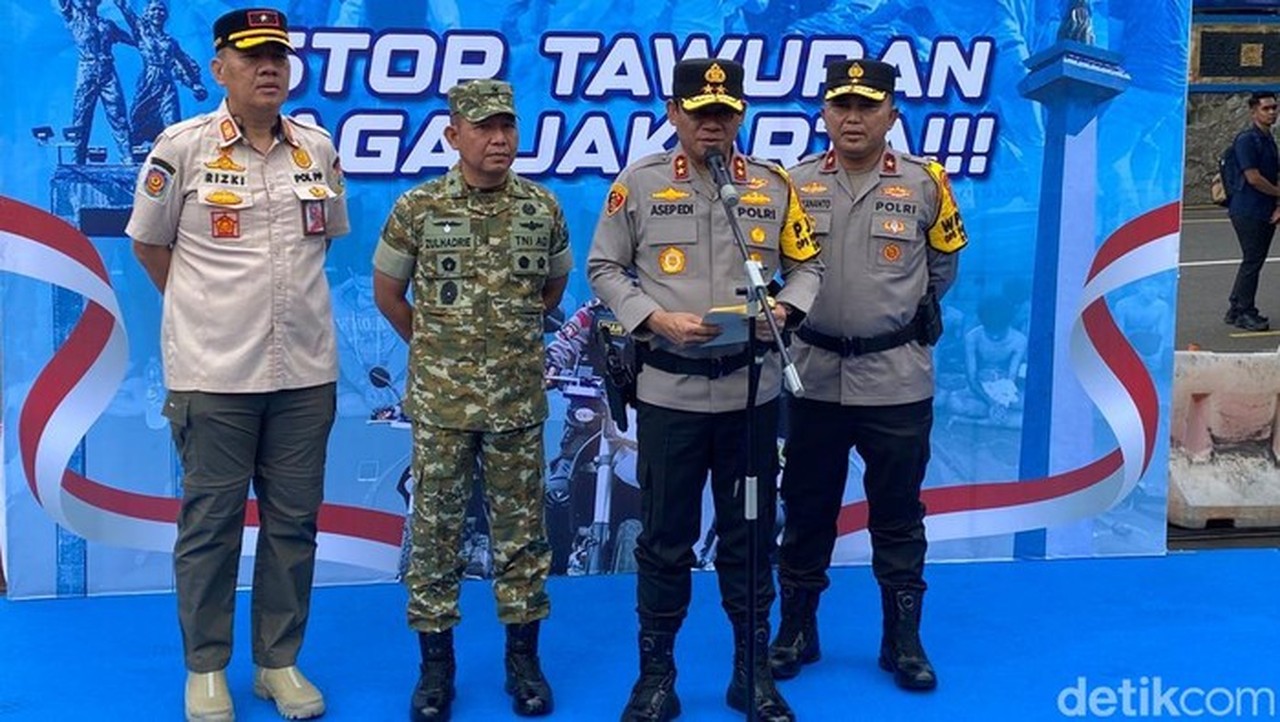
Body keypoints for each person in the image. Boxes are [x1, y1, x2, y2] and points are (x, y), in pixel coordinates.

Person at [126, 8, 347, 722]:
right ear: (219, 67)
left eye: (278, 55)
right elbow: (150, 248)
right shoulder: (182, 148)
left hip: (305, 374)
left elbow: (324, 246)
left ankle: (278, 663)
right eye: (252, 56)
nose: (269, 68)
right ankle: (207, 668)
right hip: (214, 375)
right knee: (211, 525)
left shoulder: (316, 147)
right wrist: (208, 310)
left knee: (293, 524)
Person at [588, 58, 823, 722]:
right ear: (674, 114)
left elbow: (806, 263)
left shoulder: (772, 187)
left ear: (740, 116)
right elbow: (603, 266)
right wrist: (651, 318)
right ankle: (656, 677)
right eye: (700, 113)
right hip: (672, 399)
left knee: (749, 536)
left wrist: (788, 309)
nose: (713, 125)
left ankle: (750, 677)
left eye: (725, 113)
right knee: (665, 537)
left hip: (751, 400)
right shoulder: (638, 185)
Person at [372, 78, 571, 722]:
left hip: (516, 404)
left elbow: (552, 290)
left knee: (522, 538)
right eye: (484, 128)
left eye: (507, 127)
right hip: (442, 408)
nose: (499, 139)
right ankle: (436, 669)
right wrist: (437, 352)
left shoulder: (542, 207)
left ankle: (523, 663)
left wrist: (504, 350)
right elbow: (389, 294)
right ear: (454, 134)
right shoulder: (418, 207)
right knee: (435, 536)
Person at [768, 59, 967, 692]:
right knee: (805, 508)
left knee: (899, 514)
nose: (853, 119)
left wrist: (891, 320)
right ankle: (797, 628)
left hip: (896, 379)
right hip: (814, 376)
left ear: (891, 115)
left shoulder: (926, 184)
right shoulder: (790, 184)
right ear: (824, 114)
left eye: (867, 107)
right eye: (842, 106)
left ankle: (901, 640)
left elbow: (941, 271)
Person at [114, 0, 208, 151]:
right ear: (148, 14)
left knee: (172, 124)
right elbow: (126, 9)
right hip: (148, 84)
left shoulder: (171, 42)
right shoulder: (141, 33)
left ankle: (172, 160)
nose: (158, 13)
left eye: (161, 10)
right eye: (154, 10)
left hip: (167, 86)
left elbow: (185, 63)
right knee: (138, 122)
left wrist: (195, 83)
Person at [1224, 91, 1280, 332]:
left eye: (1274, 108)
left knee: (1252, 261)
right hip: (1248, 210)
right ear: (1253, 111)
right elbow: (1253, 178)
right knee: (1252, 262)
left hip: (1264, 209)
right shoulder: (1247, 140)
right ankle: (1245, 311)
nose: (1272, 112)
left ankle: (1236, 309)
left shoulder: (1268, 140)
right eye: (1266, 108)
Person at [57, 0, 135, 163]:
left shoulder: (108, 25)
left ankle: (127, 157)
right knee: (81, 116)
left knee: (118, 114)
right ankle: (77, 159)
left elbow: (135, 41)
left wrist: (127, 11)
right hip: (87, 70)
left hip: (107, 70)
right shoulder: (74, 17)